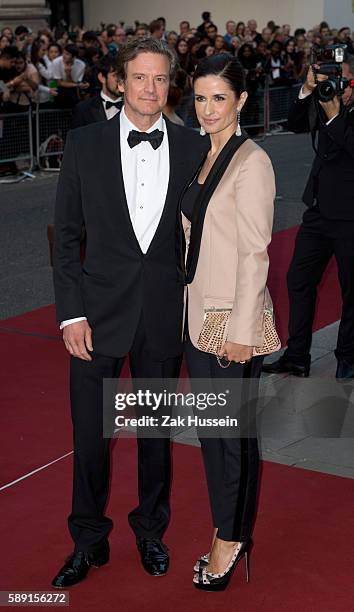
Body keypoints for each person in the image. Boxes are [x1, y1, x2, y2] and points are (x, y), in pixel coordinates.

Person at [51, 37, 207, 588]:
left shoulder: (193, 147)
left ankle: (150, 531)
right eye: (139, 77)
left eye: (160, 79)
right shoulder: (84, 143)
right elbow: (66, 237)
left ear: (171, 85)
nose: (149, 89)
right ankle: (87, 540)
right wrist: (70, 315)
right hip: (95, 318)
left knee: (154, 439)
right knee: (90, 439)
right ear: (120, 81)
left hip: (162, 316)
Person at [181, 54, 275, 591]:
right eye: (199, 97)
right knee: (212, 435)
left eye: (219, 98)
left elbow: (256, 253)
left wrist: (241, 331)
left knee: (231, 436)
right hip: (197, 315)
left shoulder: (251, 161)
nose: (208, 108)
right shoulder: (202, 154)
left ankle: (232, 538)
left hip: (230, 321)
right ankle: (227, 525)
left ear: (240, 101)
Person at [263, 56, 354, 379]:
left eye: (343, 80)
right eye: (332, 78)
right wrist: (307, 88)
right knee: (298, 281)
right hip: (317, 213)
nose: (337, 86)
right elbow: (296, 124)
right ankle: (297, 355)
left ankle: (347, 356)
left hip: (350, 218)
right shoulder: (325, 99)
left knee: (350, 290)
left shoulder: (338, 111)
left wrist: (334, 119)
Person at [71, 54, 122, 128]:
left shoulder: (135, 107)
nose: (121, 80)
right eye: (115, 75)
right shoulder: (83, 110)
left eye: (123, 76)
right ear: (102, 77)